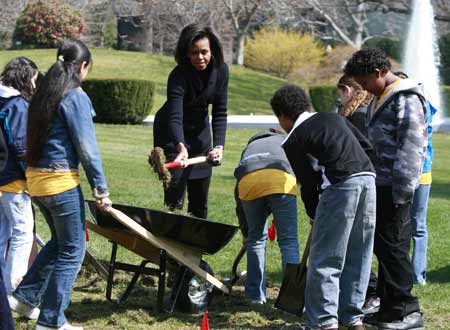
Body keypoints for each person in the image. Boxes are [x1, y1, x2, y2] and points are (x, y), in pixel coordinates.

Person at [8, 39, 112, 330]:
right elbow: (87, 149)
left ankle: (26, 297)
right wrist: (101, 190)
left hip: (37, 182)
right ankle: (52, 321)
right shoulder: (75, 95)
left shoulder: (43, 94)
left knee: (59, 243)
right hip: (60, 183)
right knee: (73, 249)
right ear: (82, 66)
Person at [271, 85, 376, 330]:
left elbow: (307, 182)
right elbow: (367, 147)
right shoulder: (333, 117)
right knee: (358, 254)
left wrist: (314, 214)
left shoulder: (294, 138)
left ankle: (323, 321)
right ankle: (352, 317)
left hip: (341, 185)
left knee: (326, 257)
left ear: (283, 116)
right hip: (368, 179)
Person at [344, 48, 427, 330]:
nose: (364, 89)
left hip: (395, 188)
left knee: (394, 248)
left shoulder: (406, 97)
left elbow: (412, 146)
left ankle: (406, 311)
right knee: (382, 247)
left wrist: (402, 191)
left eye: (365, 82)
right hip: (378, 186)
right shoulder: (381, 97)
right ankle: (388, 308)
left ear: (379, 72)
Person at [153, 23, 228, 219]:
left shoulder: (221, 71)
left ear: (212, 50)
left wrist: (219, 146)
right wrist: (181, 147)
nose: (200, 57)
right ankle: (169, 248)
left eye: (204, 52)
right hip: (172, 133)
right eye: (194, 53)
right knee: (174, 199)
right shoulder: (178, 76)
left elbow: (220, 112)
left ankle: (195, 246)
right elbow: (174, 116)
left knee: (199, 203)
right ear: (186, 53)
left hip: (200, 132)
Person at [234, 131, 299, 304]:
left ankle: (255, 296)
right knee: (289, 241)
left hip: (249, 181)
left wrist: (246, 232)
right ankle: (291, 298)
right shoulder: (284, 141)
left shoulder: (250, 147)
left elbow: (238, 199)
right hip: (280, 180)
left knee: (256, 239)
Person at [0, 57, 39, 295]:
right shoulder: (18, 106)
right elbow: (21, 146)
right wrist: (31, 178)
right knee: (23, 232)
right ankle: (13, 288)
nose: (35, 85)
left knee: (2, 234)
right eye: (34, 80)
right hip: (13, 181)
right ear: (25, 78)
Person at [394, 71, 436, 286]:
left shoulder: (410, 105)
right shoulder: (422, 104)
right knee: (415, 224)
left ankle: (415, 274)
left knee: (411, 224)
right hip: (421, 171)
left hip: (415, 172)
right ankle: (415, 275)